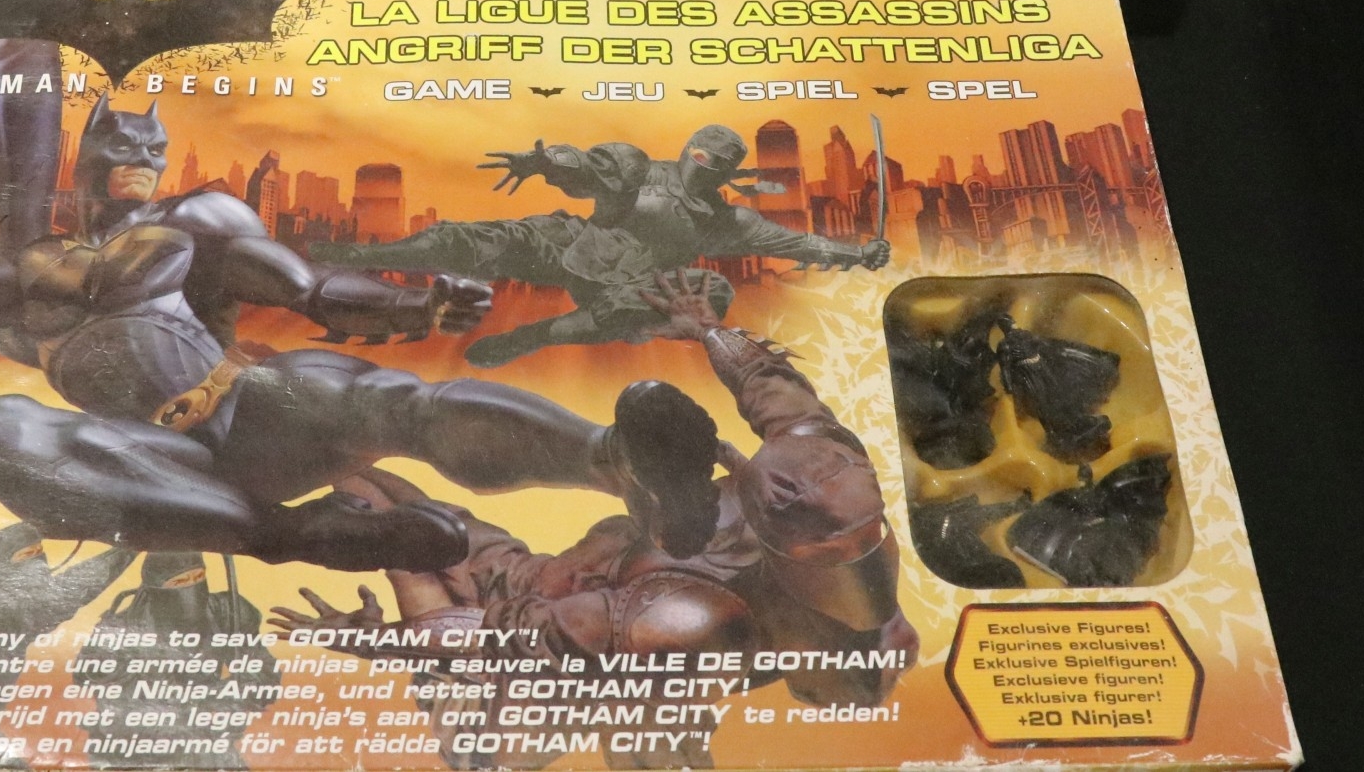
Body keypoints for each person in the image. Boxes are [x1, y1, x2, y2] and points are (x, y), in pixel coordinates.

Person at [0, 98, 729, 573]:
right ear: (87, 156)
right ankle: (305, 536)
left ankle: (622, 460)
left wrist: (417, 306)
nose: (138, 149)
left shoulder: (197, 217)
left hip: (248, 415)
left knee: (354, 390)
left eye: (153, 141)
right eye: (120, 139)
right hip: (145, 461)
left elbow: (310, 287)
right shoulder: (27, 267)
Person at [269, 273, 917, 770]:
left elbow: (495, 636)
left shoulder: (690, 622)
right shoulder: (827, 467)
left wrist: (375, 640)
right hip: (545, 587)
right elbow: (763, 375)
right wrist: (705, 327)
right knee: (372, 475)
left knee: (399, 527)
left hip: (495, 698)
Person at [313, 126, 889, 366]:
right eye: (697, 154)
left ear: (725, 171)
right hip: (573, 247)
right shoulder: (642, 171)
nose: (700, 166)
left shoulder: (727, 221)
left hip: (629, 288)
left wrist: (858, 253)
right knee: (476, 237)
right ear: (688, 151)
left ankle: (536, 336)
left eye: (713, 163)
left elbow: (798, 242)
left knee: (710, 289)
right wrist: (545, 162)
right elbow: (587, 169)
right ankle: (357, 258)